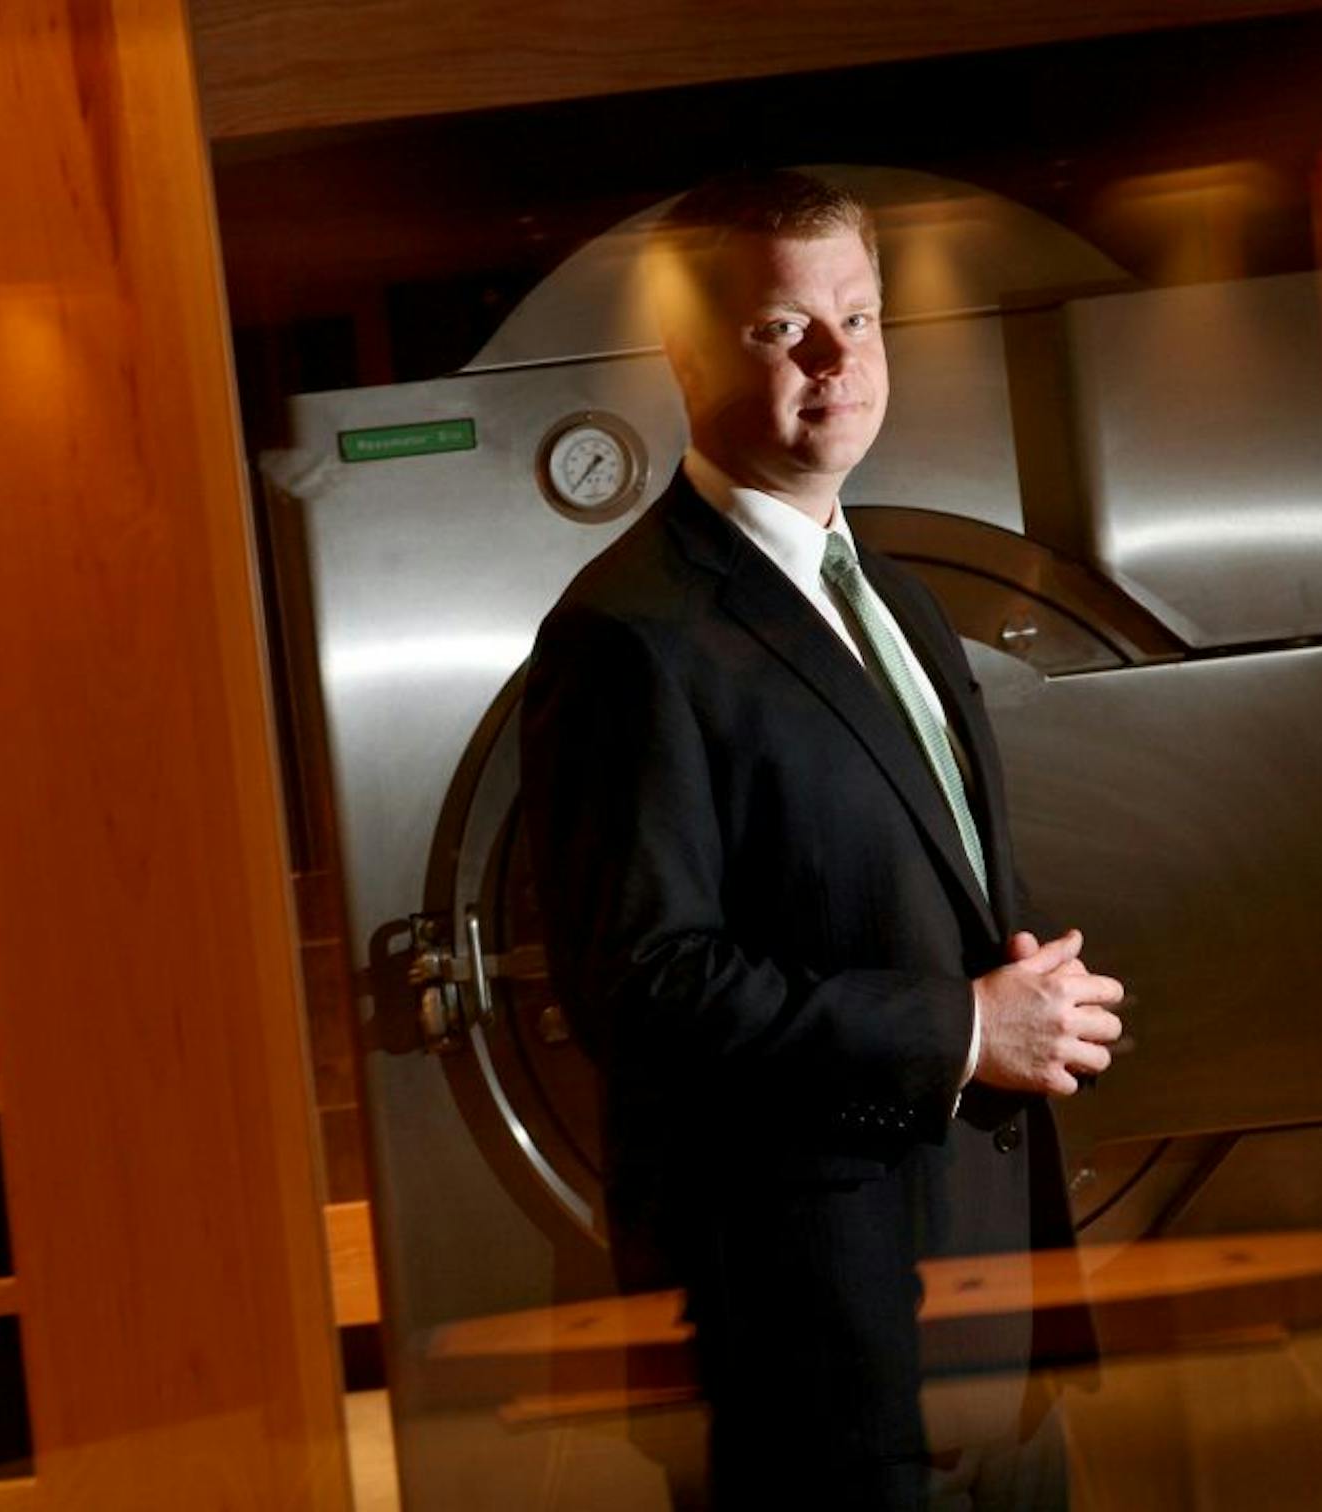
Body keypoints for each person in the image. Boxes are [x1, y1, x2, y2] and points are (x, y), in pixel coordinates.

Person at [520, 168, 1126, 1511]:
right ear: (686, 355)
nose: (836, 360)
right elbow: (643, 988)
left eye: (860, 317)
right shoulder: (629, 636)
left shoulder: (896, 599)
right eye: (782, 328)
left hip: (985, 1308)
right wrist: (963, 1030)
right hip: (810, 1338)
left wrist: (1032, 1002)